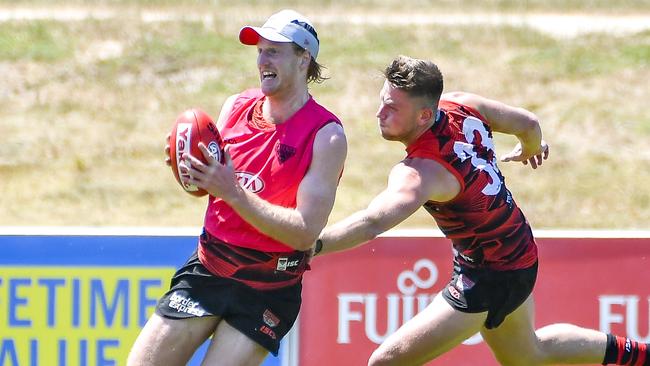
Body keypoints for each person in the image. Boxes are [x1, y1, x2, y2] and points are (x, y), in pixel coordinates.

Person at [313, 55, 648, 366]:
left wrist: (310, 246)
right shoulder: (461, 104)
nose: (378, 113)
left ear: (424, 116)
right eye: (382, 100)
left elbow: (372, 222)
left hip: (491, 273)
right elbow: (528, 123)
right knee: (530, 356)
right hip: (518, 249)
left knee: (384, 362)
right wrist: (531, 148)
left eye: (391, 107)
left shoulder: (420, 172)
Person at [127, 9, 347, 366]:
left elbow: (305, 233)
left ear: (304, 58)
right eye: (260, 51)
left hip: (268, 289)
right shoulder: (235, 106)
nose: (262, 60)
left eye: (274, 50)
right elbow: (216, 180)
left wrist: (232, 192)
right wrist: (191, 168)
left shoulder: (327, 135)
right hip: (209, 268)